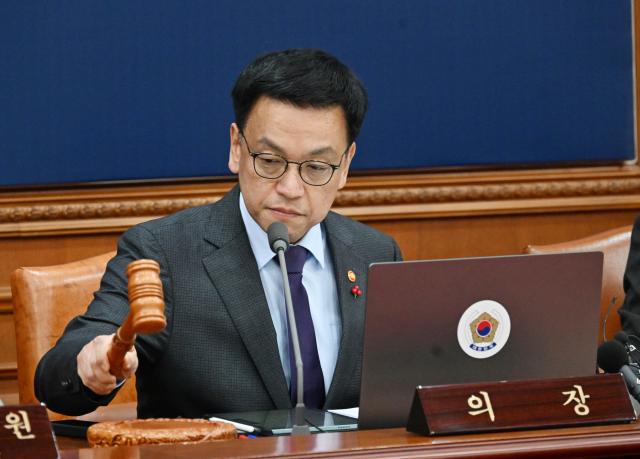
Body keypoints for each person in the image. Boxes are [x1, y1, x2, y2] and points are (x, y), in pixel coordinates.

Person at [35, 49, 402, 419]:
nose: (290, 187)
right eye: (270, 160)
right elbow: (61, 376)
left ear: (345, 167)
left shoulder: (376, 254)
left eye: (317, 166)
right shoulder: (164, 253)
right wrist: (92, 365)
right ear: (237, 148)